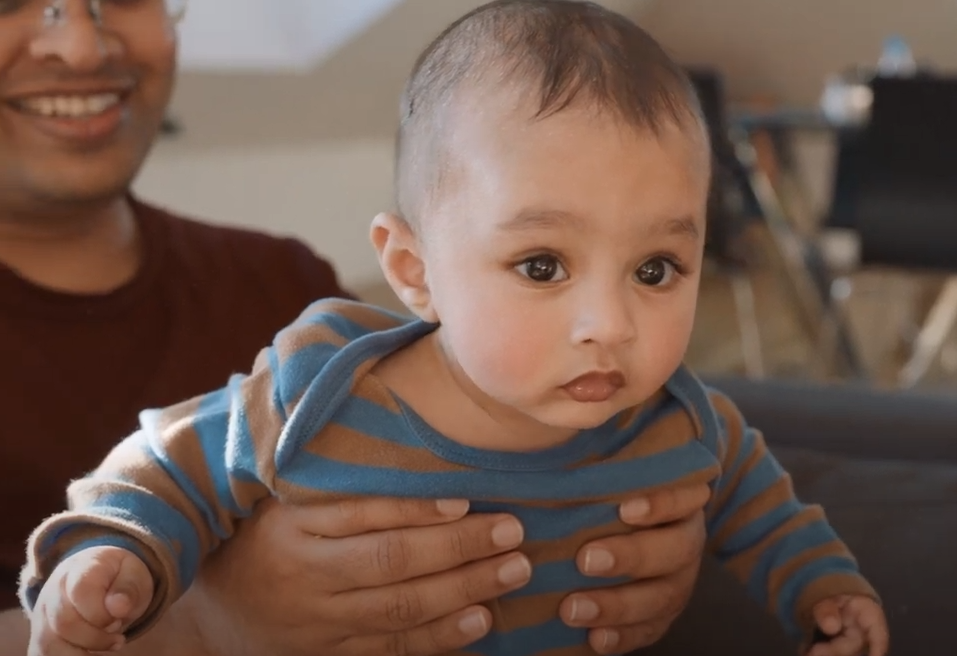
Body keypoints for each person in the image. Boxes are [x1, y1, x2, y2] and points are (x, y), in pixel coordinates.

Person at [18, 2, 890, 656]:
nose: (610, 324)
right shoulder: (319, 390)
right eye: (541, 266)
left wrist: (823, 590)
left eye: (655, 269)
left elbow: (765, 509)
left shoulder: (687, 420)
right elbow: (168, 467)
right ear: (413, 271)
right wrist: (116, 563)